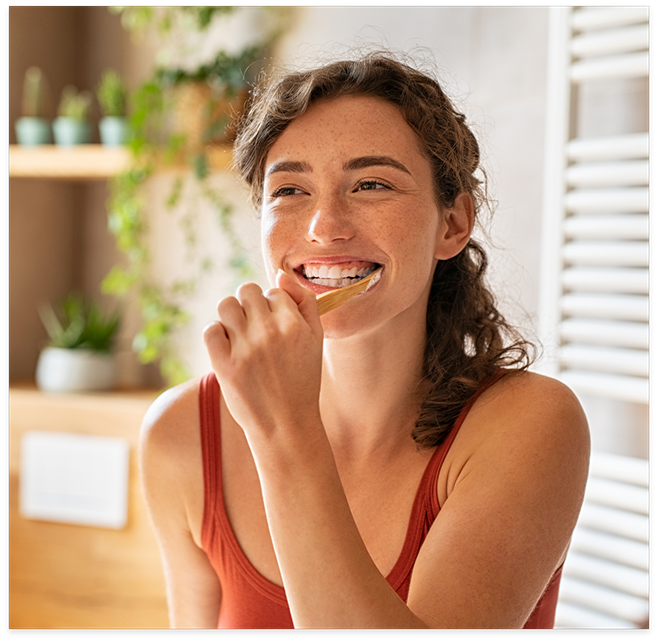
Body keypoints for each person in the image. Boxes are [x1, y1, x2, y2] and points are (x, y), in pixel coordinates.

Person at [140, 52, 590, 629]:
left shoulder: (530, 425)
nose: (324, 226)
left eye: (372, 184)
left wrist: (283, 429)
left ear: (451, 224)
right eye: (289, 191)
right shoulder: (181, 433)